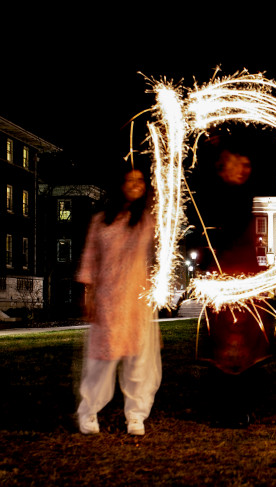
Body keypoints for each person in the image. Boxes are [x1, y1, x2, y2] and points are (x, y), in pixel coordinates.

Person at [192, 142, 276, 428]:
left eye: (247, 166)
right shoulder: (211, 199)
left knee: (248, 350)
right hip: (224, 284)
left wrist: (261, 276)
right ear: (222, 165)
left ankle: (243, 407)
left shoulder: (246, 199)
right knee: (224, 349)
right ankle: (224, 407)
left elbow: (250, 243)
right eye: (236, 163)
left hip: (248, 286)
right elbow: (208, 238)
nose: (243, 169)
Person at [76, 165, 160, 436]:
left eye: (141, 181)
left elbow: (164, 234)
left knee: (138, 359)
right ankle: (88, 411)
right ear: (119, 185)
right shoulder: (101, 220)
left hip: (136, 298)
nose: (136, 184)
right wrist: (87, 293)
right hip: (108, 298)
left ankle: (136, 414)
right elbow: (90, 258)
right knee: (102, 358)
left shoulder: (147, 221)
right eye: (130, 180)